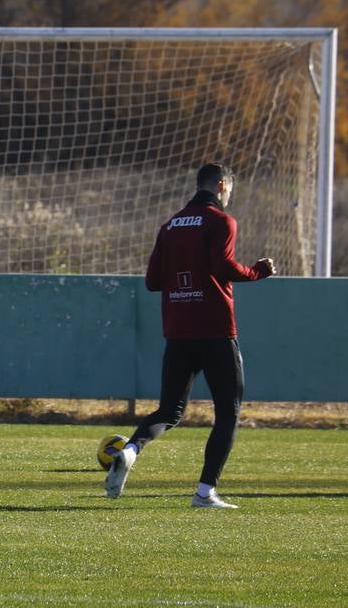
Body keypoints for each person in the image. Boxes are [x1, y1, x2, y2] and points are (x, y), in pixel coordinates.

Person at [103, 163, 276, 508]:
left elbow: (153, 281)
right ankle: (204, 492)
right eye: (230, 188)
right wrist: (258, 271)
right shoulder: (221, 221)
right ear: (222, 185)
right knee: (228, 413)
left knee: (169, 411)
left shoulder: (170, 225)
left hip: (179, 331)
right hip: (215, 331)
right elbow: (223, 266)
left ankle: (131, 450)